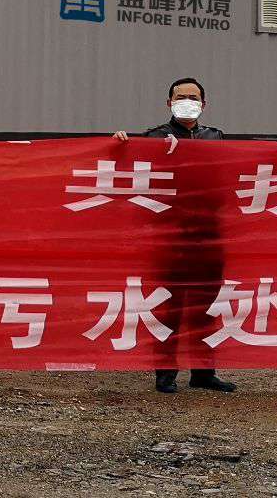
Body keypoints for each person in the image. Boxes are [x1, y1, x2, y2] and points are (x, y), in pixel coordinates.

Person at [115, 78, 236, 395]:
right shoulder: (154, 138)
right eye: (180, 96)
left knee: (206, 307)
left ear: (204, 104)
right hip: (170, 236)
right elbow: (126, 163)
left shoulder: (216, 137)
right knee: (169, 306)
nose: (187, 101)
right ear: (169, 102)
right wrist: (119, 143)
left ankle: (204, 372)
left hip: (209, 236)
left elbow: (245, 164)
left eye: (193, 97)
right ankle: (166, 373)